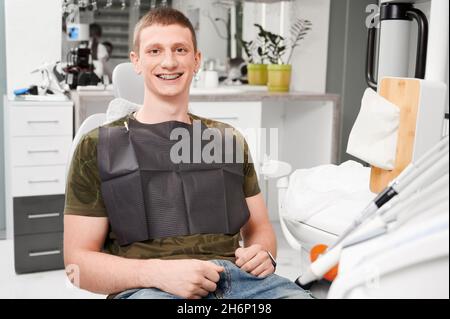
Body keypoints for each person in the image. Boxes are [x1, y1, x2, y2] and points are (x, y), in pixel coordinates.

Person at [64, 7, 311, 300]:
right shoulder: (98, 146)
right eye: (154, 51)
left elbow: (259, 228)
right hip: (151, 288)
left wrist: (263, 253)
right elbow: (77, 264)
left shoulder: (228, 140)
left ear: (196, 61)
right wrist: (158, 273)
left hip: (243, 283)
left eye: (180, 49)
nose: (169, 62)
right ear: (137, 62)